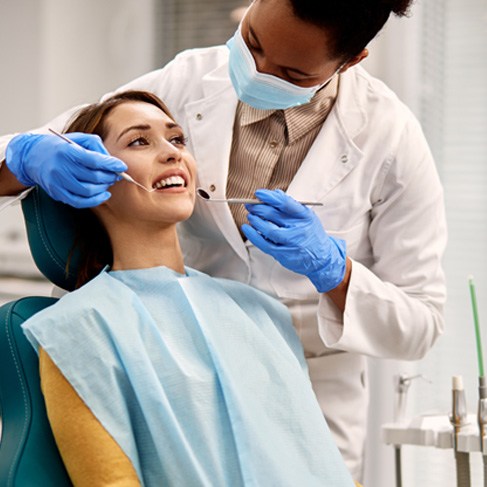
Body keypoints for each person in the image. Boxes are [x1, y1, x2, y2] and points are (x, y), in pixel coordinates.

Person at [0, 0, 447, 479]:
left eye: (292, 73)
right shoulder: (86, 329)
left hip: (301, 372)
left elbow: (421, 321)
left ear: (351, 60)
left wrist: (335, 274)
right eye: (252, 43)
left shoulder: (391, 136)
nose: (257, 73)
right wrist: (24, 157)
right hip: (166, 355)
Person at [21, 90, 357, 486]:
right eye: (139, 141)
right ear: (89, 179)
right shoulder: (78, 329)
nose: (172, 153)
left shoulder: (262, 312)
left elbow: (319, 460)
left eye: (177, 139)